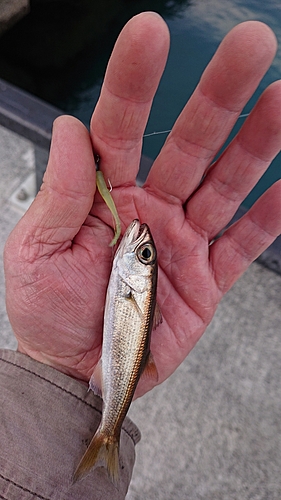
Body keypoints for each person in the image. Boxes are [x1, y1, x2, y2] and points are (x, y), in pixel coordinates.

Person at [1, 11, 281, 500]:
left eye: (143, 252)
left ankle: (105, 435)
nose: (139, 243)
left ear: (139, 267)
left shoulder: (132, 274)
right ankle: (103, 436)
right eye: (146, 251)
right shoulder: (131, 272)